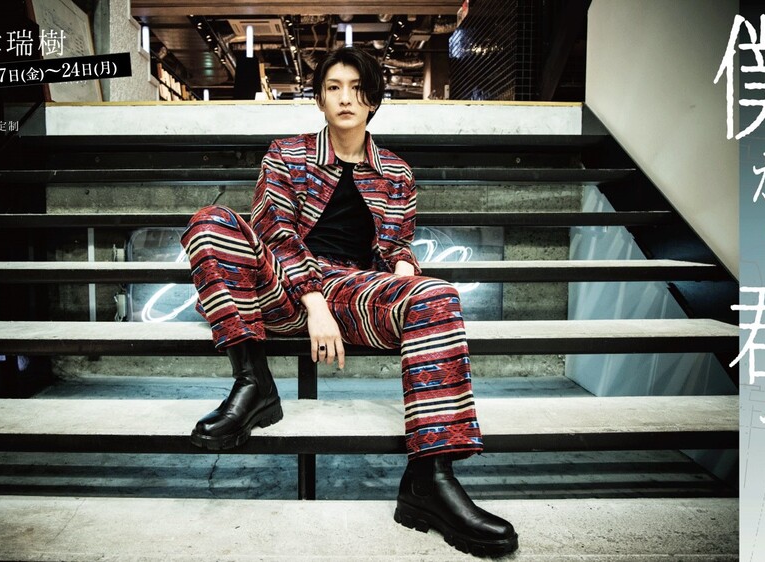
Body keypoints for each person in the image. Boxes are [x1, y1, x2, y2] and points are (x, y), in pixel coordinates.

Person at [180, 46, 518, 558]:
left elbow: (397, 247)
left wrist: (405, 274)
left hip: (353, 292)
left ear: (374, 100)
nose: (345, 99)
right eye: (334, 87)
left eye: (358, 89)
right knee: (210, 220)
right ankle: (253, 383)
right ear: (319, 98)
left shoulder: (396, 172)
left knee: (437, 294)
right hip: (282, 287)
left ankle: (430, 478)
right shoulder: (286, 155)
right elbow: (275, 235)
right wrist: (313, 301)